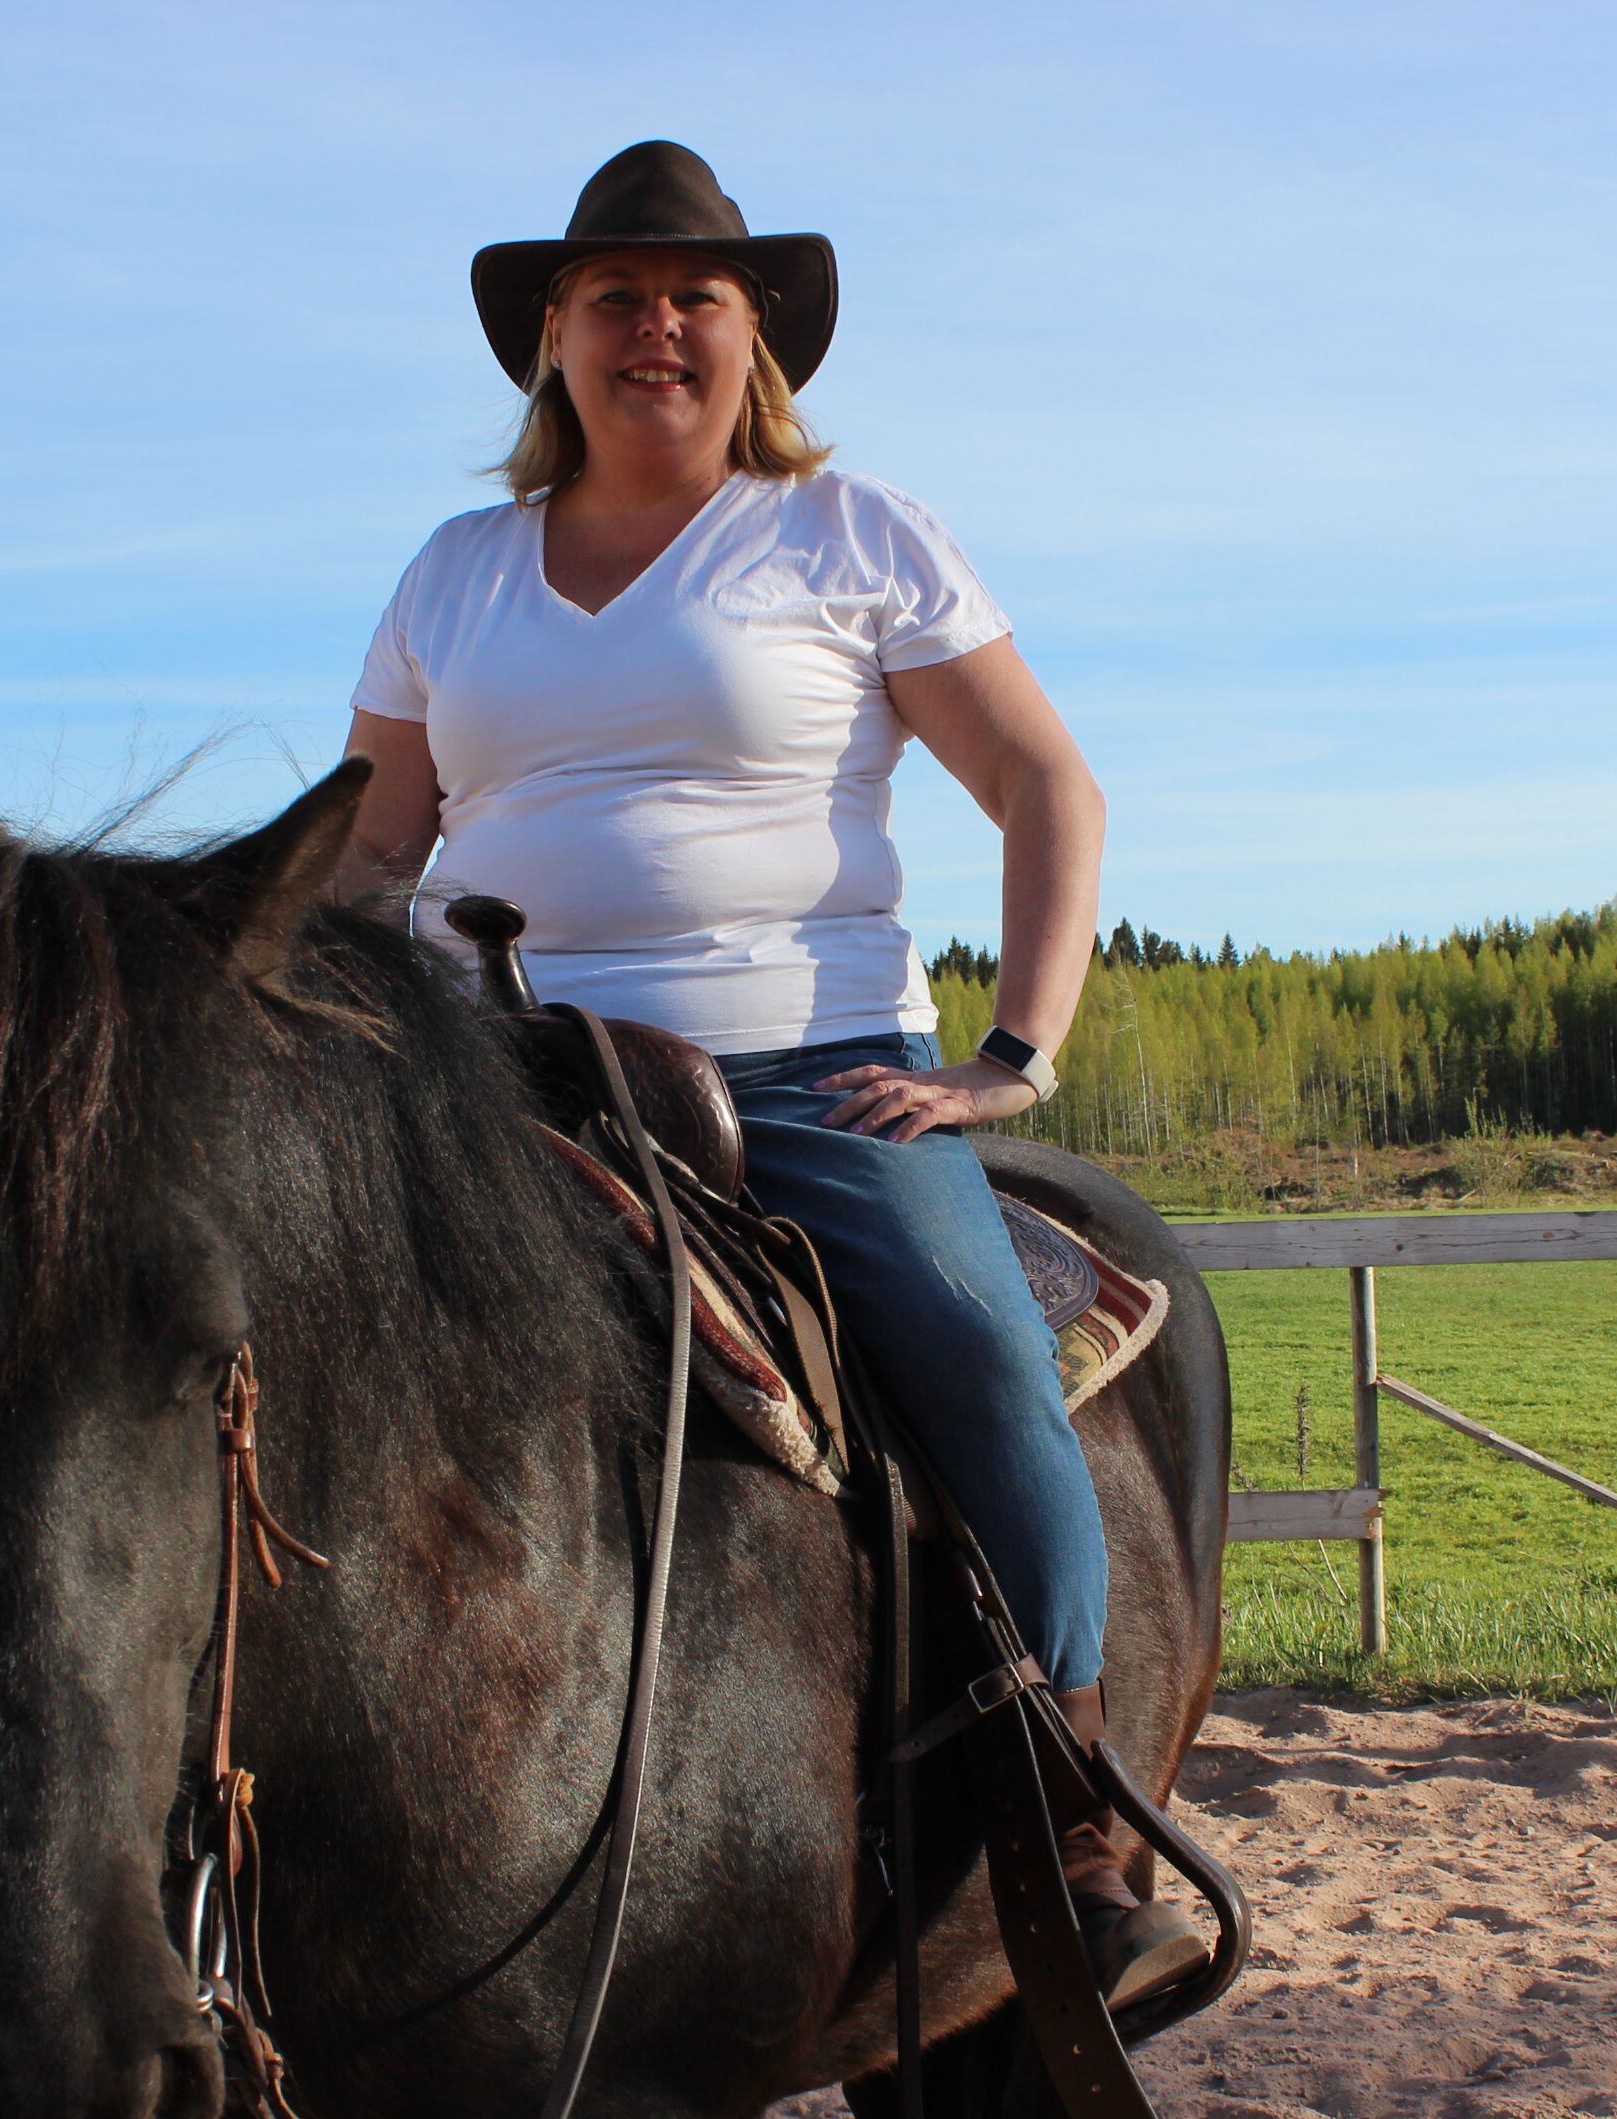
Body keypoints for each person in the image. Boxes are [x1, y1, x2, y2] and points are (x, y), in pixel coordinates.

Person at [335, 140, 1195, 2007]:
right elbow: (373, 845)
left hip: (799, 1072)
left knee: (974, 1347)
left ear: (757, 339)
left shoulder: (852, 537)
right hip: (486, 1068)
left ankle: (1076, 1816)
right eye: (614, 298)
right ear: (551, 338)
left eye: (694, 299)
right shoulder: (453, 572)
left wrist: (1013, 1056)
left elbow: (1045, 782)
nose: (654, 329)